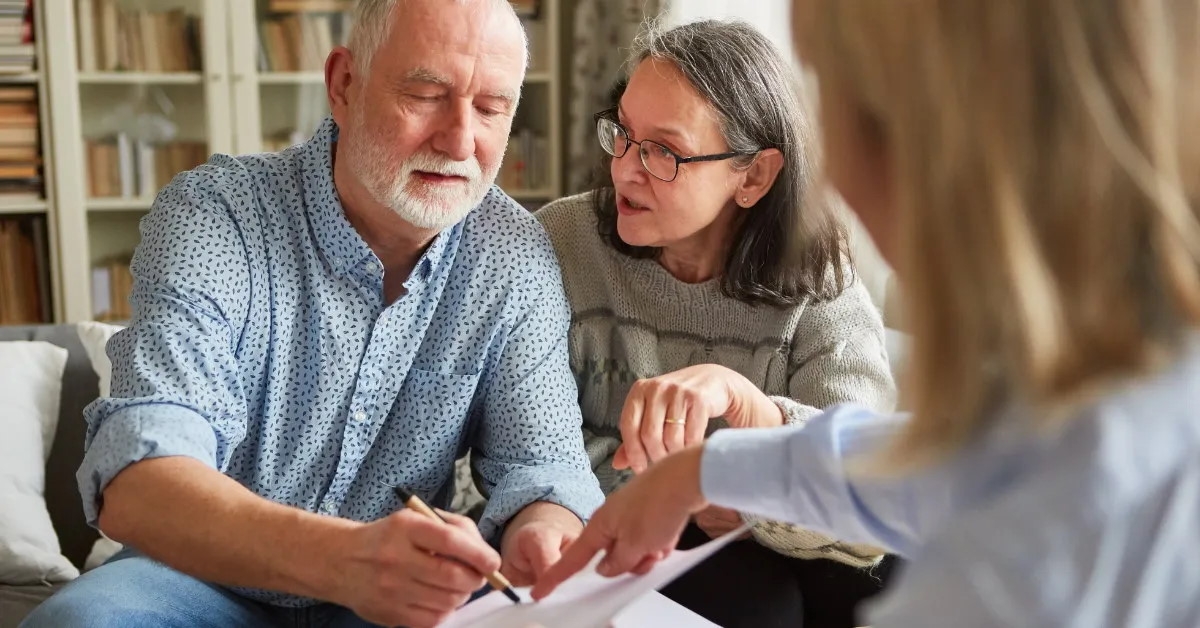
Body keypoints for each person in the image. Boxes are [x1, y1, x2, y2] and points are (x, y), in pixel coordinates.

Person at [533, 0, 1200, 626]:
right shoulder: (1119, 390)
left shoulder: (1012, 566)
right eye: (623, 134)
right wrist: (705, 469)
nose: (832, 171)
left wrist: (737, 446)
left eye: (834, 97)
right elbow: (932, 465)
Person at [21, 1, 604, 627]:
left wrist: (542, 534)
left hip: (396, 600)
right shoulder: (216, 215)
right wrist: (343, 560)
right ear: (343, 85)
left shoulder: (513, 254)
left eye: (491, 108)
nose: (461, 140)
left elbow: (543, 469)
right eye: (426, 94)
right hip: (194, 578)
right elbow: (139, 481)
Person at [534, 19, 897, 628]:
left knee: (876, 587)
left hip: (784, 544)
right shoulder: (561, 242)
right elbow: (531, 445)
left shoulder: (816, 268)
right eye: (622, 133)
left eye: (664, 152)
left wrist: (753, 459)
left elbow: (869, 479)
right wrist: (685, 489)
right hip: (624, 534)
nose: (625, 168)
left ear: (752, 177)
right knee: (759, 603)